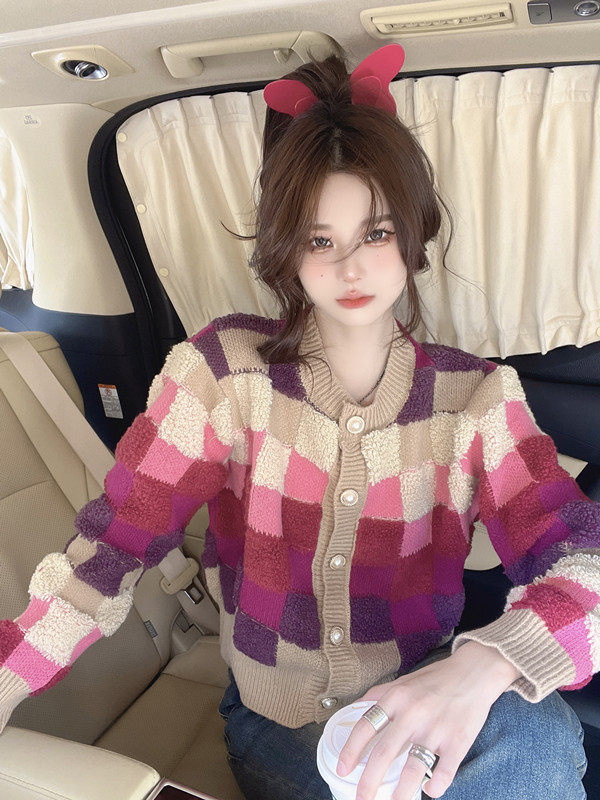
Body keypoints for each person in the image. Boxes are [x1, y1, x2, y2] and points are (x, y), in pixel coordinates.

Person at [0, 43, 593, 800]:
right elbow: (108, 551)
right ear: (286, 247)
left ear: (412, 237)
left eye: (376, 233)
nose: (350, 267)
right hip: (276, 729)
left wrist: (488, 664)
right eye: (320, 239)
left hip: (418, 705)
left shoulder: (475, 399)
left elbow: (581, 557)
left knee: (536, 737)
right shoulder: (221, 374)